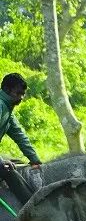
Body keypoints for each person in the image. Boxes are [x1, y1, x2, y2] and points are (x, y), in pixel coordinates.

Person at [0, 73, 41, 201]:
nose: (21, 97)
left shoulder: (7, 109)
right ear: (7, 90)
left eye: (23, 94)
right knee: (9, 170)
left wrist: (35, 159)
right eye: (18, 93)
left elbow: (20, 136)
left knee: (18, 163)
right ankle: (32, 208)